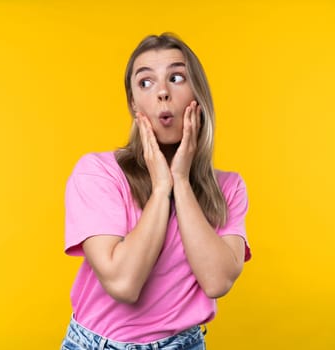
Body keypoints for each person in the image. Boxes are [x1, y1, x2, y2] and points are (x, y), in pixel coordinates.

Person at [61, 33, 251, 350]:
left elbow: (217, 281)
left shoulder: (229, 188)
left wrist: (181, 181)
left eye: (176, 78)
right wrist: (161, 187)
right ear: (134, 103)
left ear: (198, 95)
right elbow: (123, 283)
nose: (162, 92)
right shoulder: (98, 173)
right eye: (145, 83)